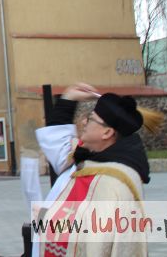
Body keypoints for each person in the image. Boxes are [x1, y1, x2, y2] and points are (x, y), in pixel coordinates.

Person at [34, 83, 159, 257]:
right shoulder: (92, 156)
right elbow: (59, 147)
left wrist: (45, 218)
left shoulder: (113, 182)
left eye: (90, 119)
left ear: (107, 133)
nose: (83, 121)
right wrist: (68, 99)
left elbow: (101, 242)